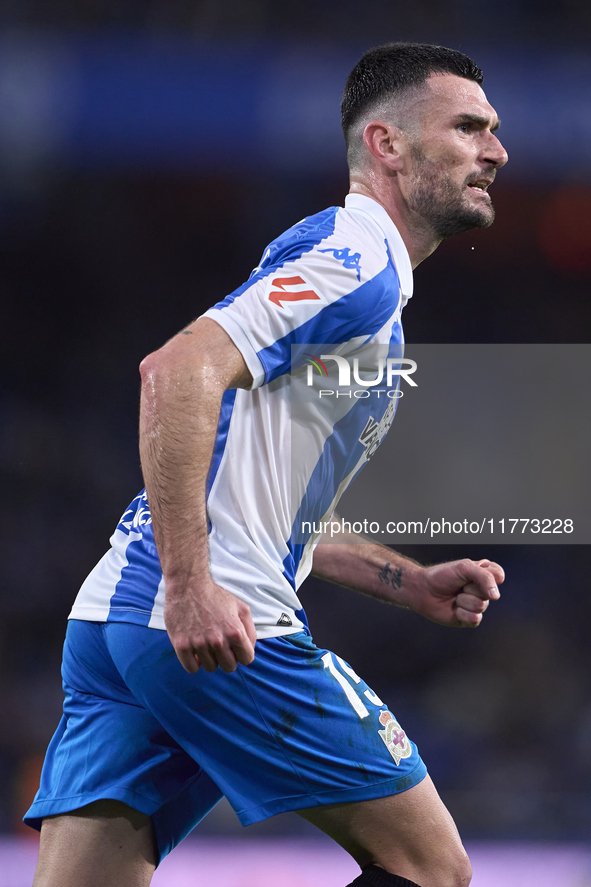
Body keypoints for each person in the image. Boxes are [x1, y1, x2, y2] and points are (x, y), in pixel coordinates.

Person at [26, 42, 508, 887]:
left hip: (114, 619)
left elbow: (262, 495)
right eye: (468, 127)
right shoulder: (352, 262)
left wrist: (407, 581)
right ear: (386, 145)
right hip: (208, 620)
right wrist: (189, 584)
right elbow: (174, 372)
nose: (495, 151)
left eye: (493, 130)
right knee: (432, 869)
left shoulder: (347, 268)